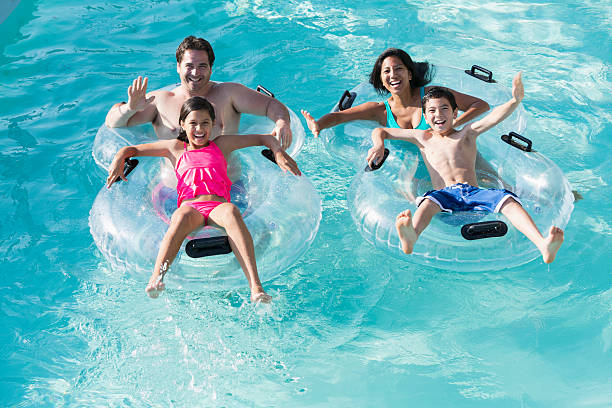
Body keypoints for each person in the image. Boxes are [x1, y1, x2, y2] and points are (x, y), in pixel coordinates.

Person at [106, 96, 301, 303]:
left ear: (214, 124)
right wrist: (120, 157)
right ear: (182, 124)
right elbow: (132, 149)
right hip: (191, 208)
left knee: (232, 211)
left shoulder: (222, 144)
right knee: (180, 215)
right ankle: (157, 277)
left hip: (218, 205)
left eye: (205, 123)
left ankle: (256, 287)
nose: (199, 128)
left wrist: (278, 153)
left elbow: (265, 138)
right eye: (193, 123)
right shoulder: (175, 148)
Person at [366, 73, 564, 264]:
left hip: (474, 193)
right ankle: (411, 236)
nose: (438, 115)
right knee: (427, 202)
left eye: (444, 109)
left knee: (508, 200)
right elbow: (380, 130)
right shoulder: (422, 138)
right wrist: (378, 145)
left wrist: (514, 101)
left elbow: (493, 117)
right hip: (444, 196)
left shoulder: (466, 134)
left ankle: (542, 244)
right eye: (432, 111)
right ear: (425, 116)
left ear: (454, 113)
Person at [105, 36, 293, 149]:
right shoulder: (160, 101)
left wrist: (282, 122)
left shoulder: (229, 94)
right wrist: (129, 108)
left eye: (202, 66)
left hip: (228, 184)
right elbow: (113, 123)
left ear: (211, 68)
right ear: (178, 67)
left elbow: (271, 105)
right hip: (174, 189)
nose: (195, 73)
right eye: (189, 66)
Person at [301, 47, 489, 136]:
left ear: (409, 74)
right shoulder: (380, 110)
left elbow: (480, 105)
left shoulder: (432, 96)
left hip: (455, 152)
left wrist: (452, 124)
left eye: (399, 69)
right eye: (387, 71)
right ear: (382, 80)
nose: (393, 75)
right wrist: (318, 124)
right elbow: (339, 117)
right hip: (418, 165)